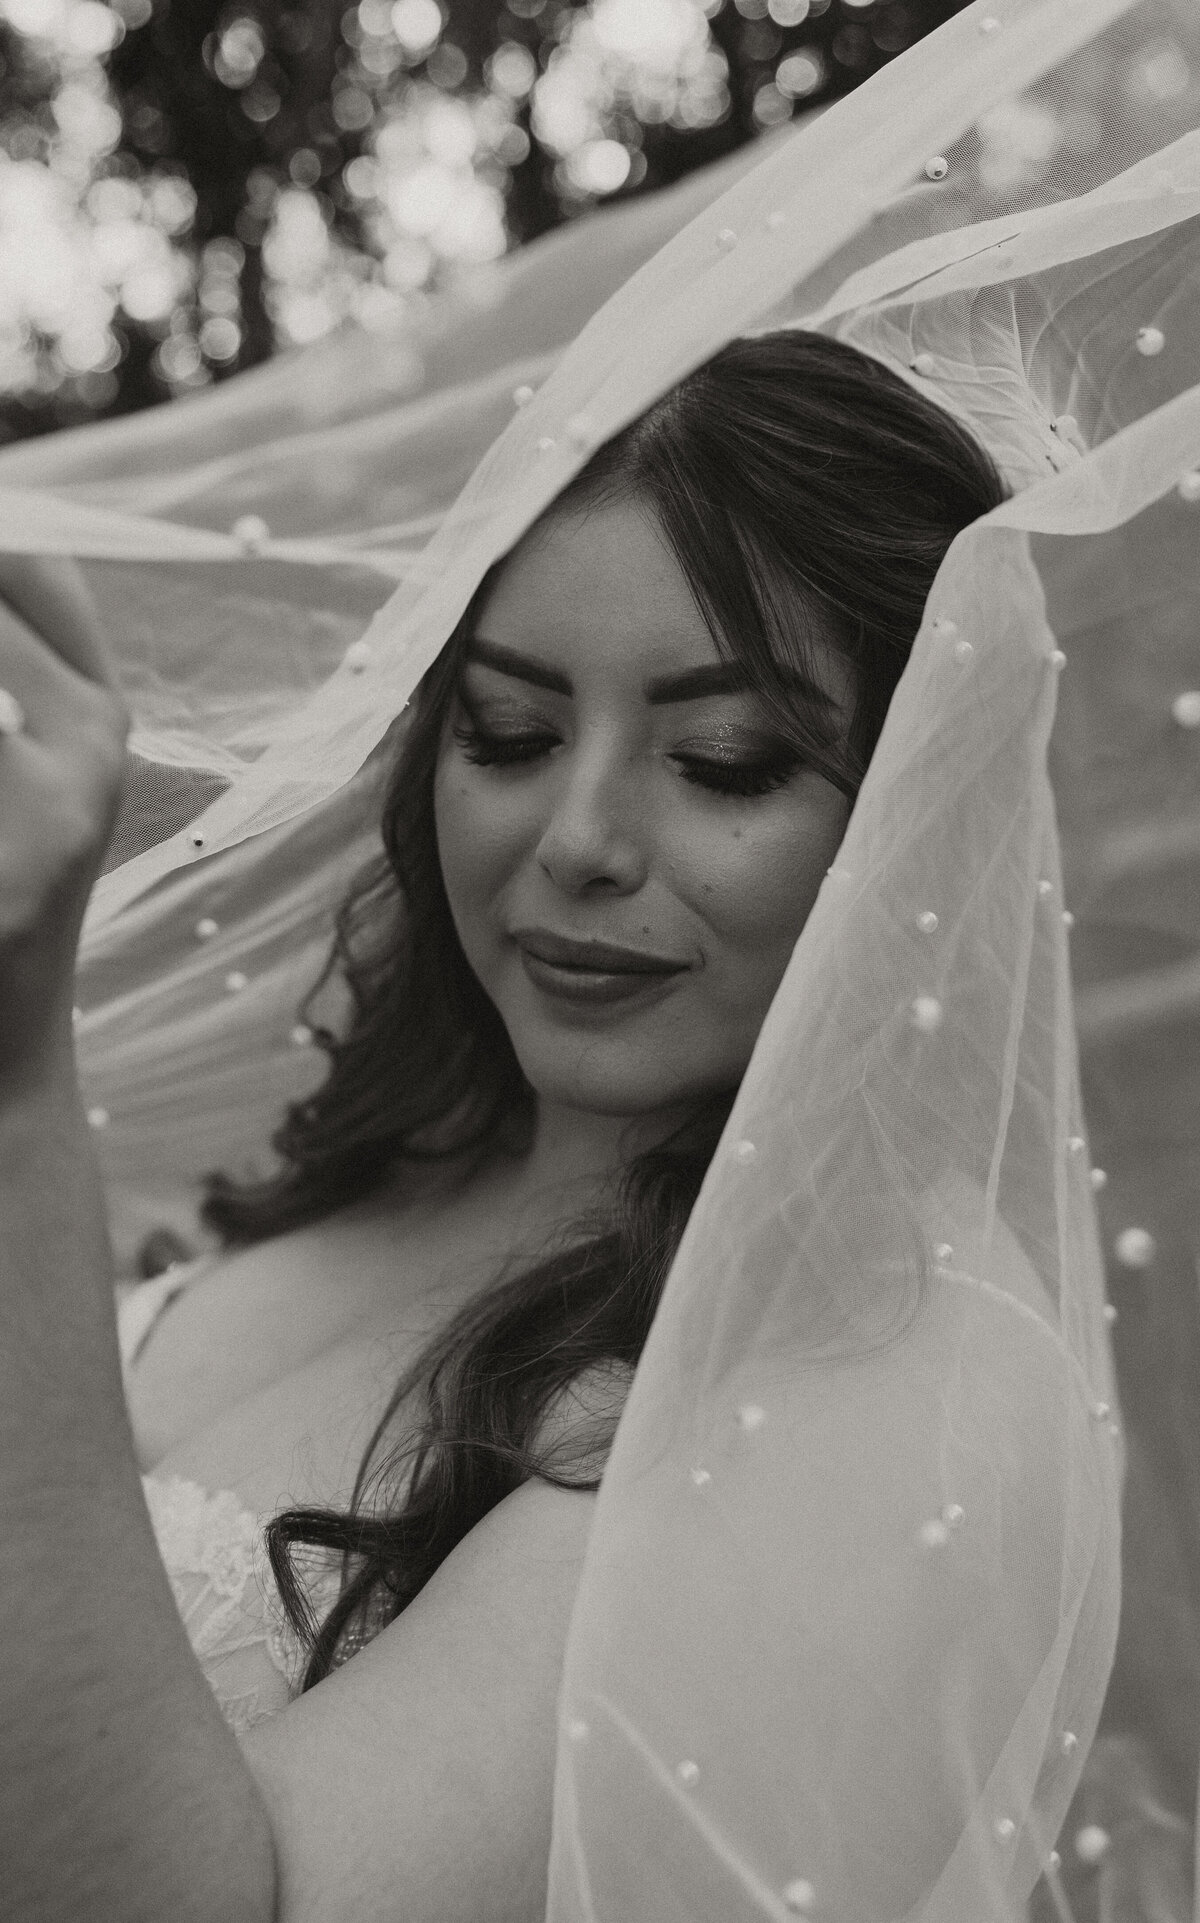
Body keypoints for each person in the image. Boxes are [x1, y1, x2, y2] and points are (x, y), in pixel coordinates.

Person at [1, 0, 1195, 1915]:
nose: (577, 841)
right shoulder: (363, 1171)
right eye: (508, 732)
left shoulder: (894, 1370)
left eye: (724, 761)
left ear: (920, 803)